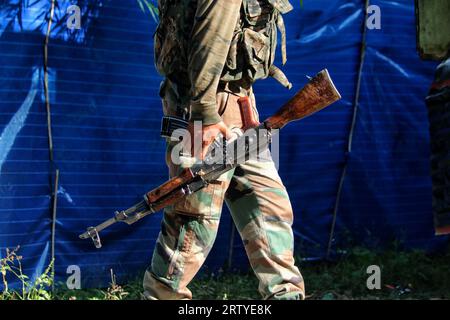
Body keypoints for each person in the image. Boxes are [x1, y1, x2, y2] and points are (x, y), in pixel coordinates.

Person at [143, 0, 305, 300]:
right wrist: (205, 112)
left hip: (238, 103)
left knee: (268, 206)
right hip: (202, 109)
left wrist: (243, 99)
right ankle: (163, 296)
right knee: (192, 218)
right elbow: (211, 36)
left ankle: (285, 295)